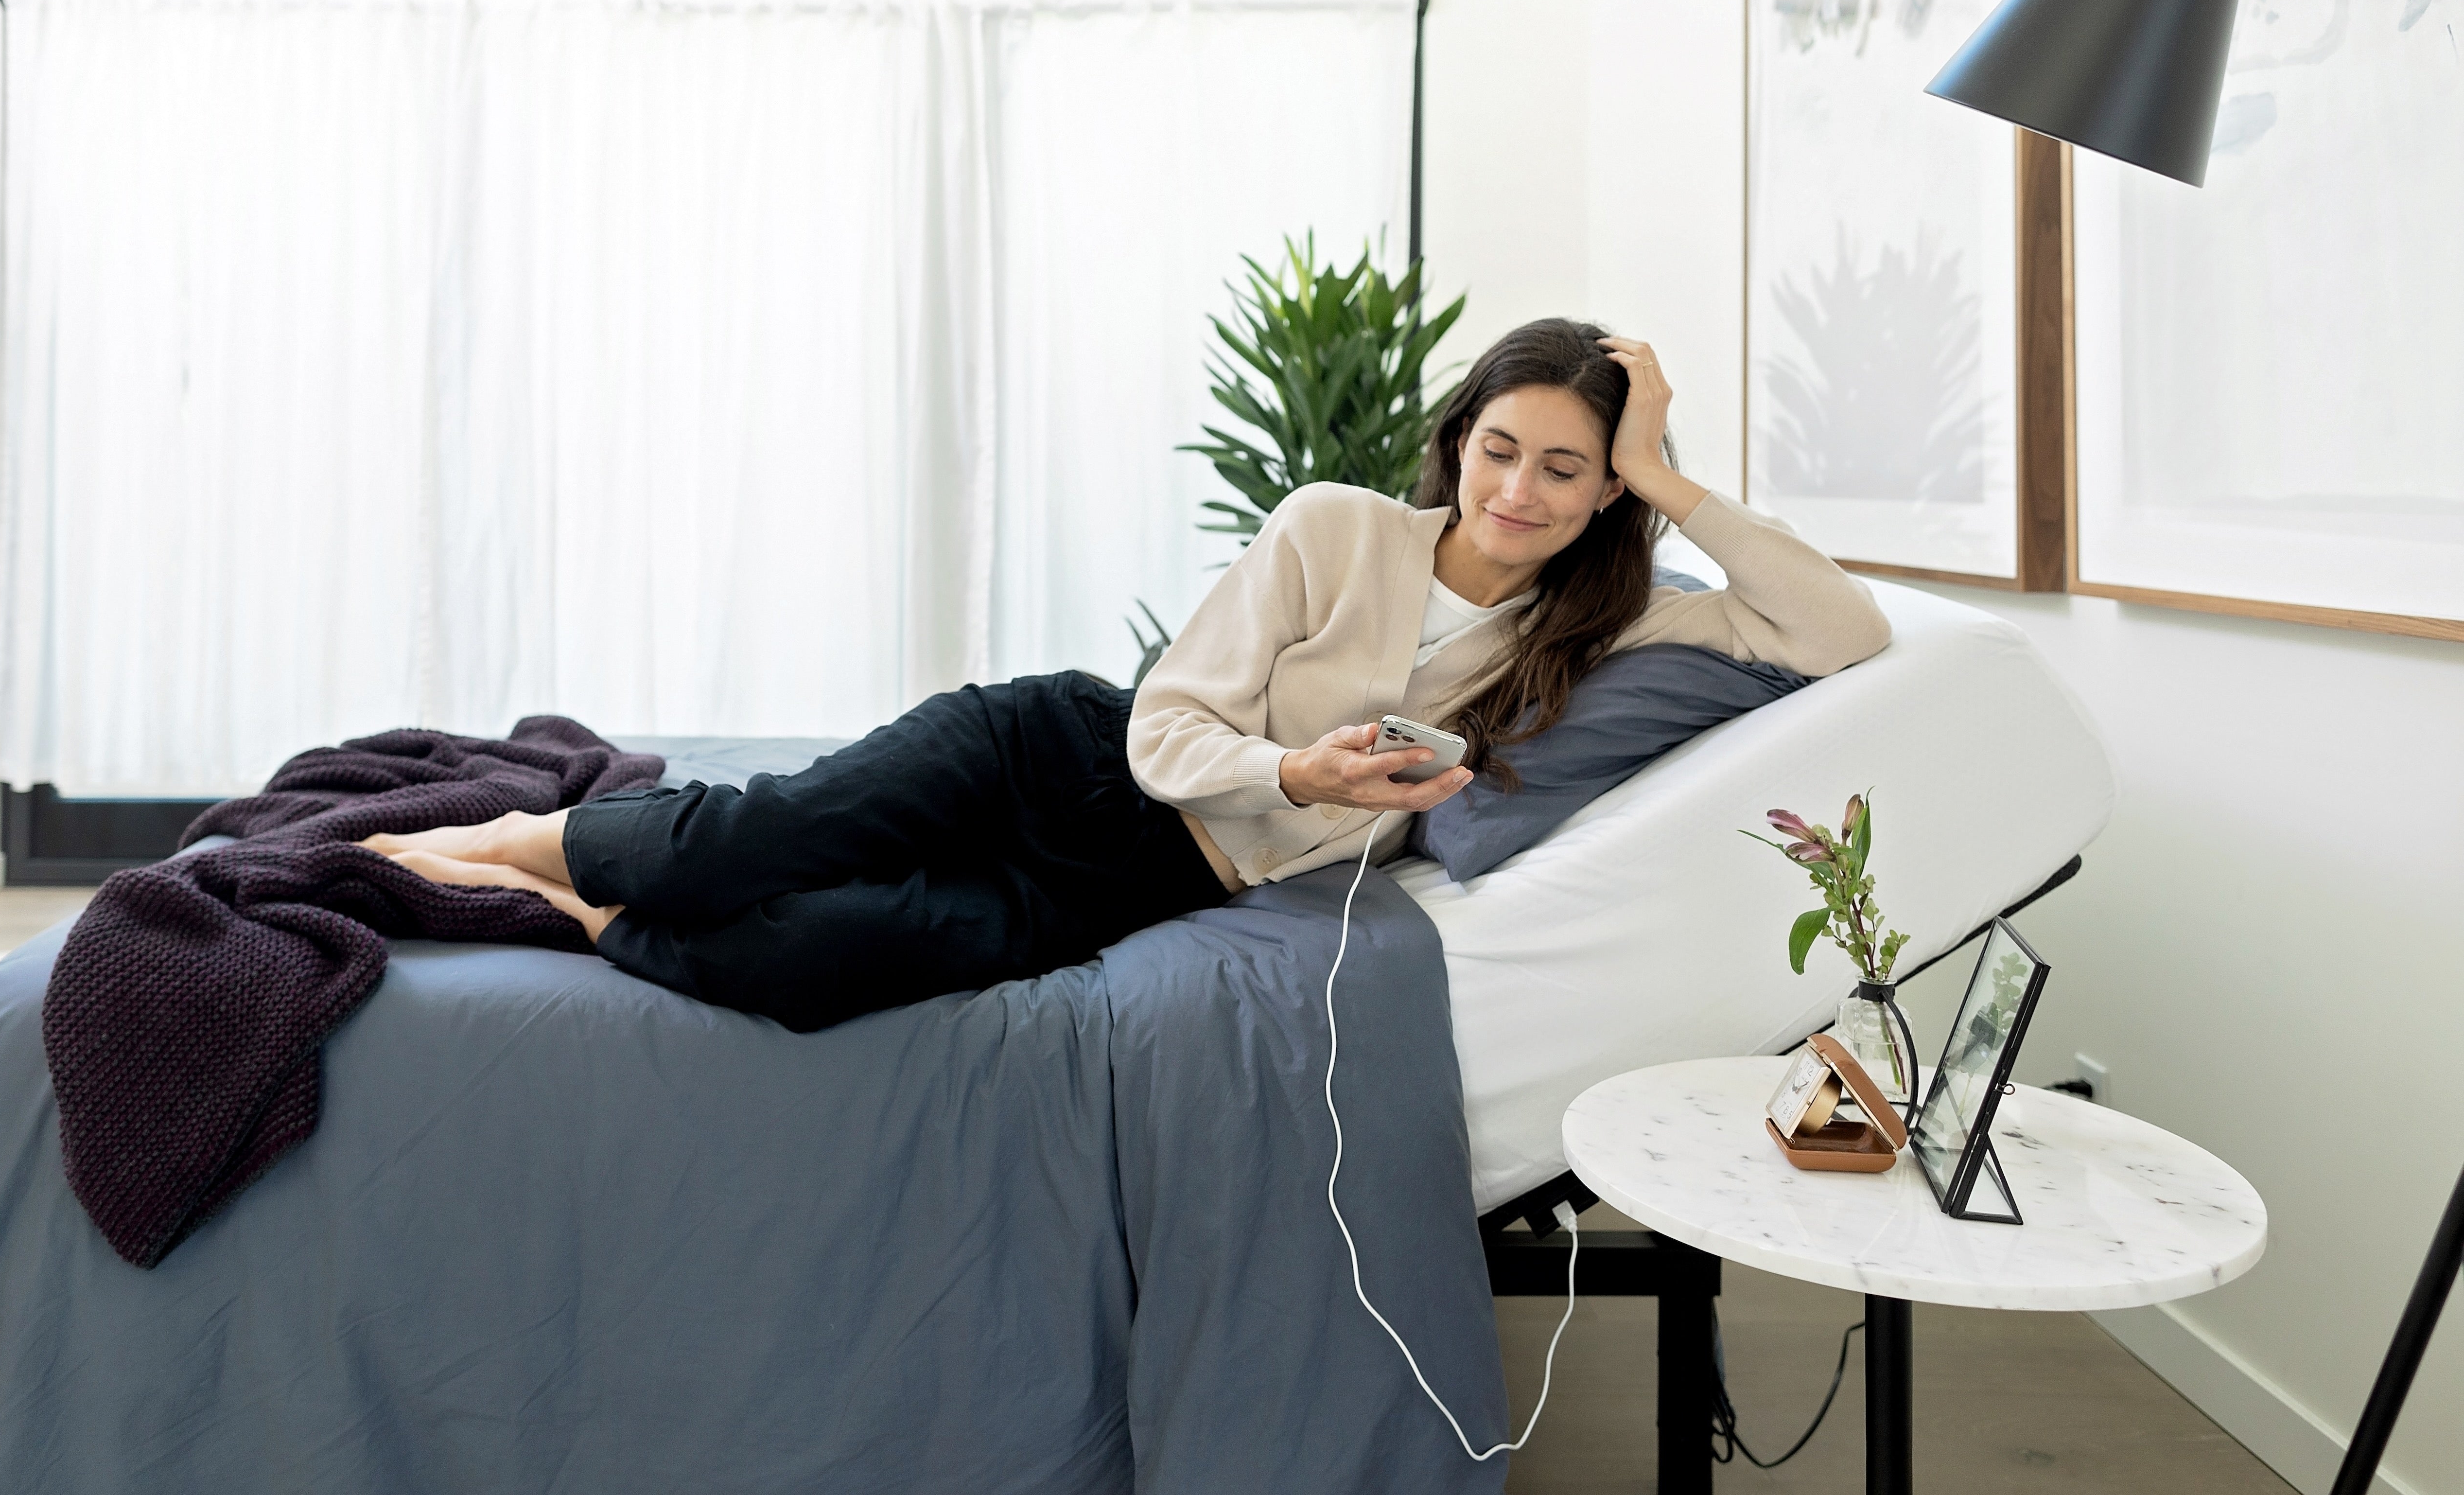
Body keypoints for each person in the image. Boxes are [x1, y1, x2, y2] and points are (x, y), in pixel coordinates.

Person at [366, 320, 1888, 1029]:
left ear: (1606, 488)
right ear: (1458, 440)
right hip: (1064, 755)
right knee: (758, 838)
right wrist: (1292, 771)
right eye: (1502, 448)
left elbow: (1839, 633)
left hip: (1160, 878)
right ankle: (499, 839)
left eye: (1567, 467)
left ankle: (570, 909)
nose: (1520, 489)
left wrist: (1666, 474)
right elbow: (1171, 719)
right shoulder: (1336, 526)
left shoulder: (1610, 629)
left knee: (806, 963)